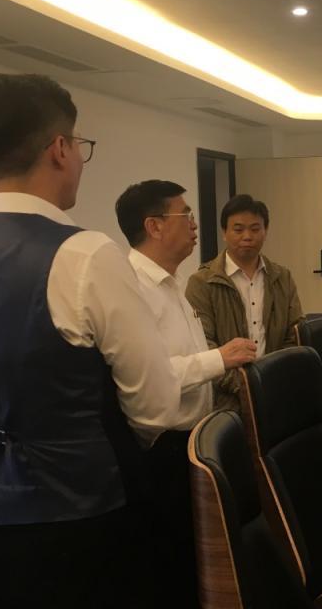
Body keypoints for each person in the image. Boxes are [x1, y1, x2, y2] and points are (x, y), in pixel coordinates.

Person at [0, 74, 191, 609]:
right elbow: (155, 407)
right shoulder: (87, 254)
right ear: (60, 148)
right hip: (84, 519)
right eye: (80, 146)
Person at [115, 179, 257, 606]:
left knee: (197, 558)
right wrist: (220, 359)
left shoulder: (172, 283)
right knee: (172, 562)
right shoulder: (132, 288)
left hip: (194, 439)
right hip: (162, 449)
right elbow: (148, 375)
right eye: (186, 215)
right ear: (154, 226)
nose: (195, 225)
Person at [186, 194, 305, 408]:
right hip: (226, 401)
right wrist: (246, 387)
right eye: (238, 229)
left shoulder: (282, 277)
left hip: (277, 393)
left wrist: (275, 380)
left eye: (255, 229)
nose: (247, 236)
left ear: (265, 231)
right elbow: (203, 345)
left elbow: (295, 334)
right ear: (224, 232)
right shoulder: (202, 282)